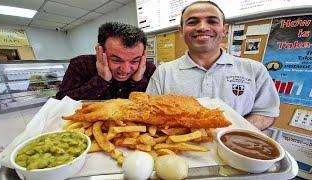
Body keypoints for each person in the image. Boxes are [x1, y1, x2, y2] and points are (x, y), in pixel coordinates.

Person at [146, 1, 280, 130]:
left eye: (212, 21)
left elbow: (267, 113)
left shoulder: (254, 70)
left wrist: (231, 131)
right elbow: (150, 114)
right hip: (177, 152)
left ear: (224, 30)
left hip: (235, 150)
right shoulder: (163, 72)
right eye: (192, 22)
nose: (202, 27)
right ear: (181, 31)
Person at [56, 22, 156, 100]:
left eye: (134, 61)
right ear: (100, 50)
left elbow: (154, 106)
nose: (126, 70)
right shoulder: (80, 64)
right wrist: (101, 80)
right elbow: (61, 100)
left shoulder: (149, 69)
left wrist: (138, 81)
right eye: (116, 60)